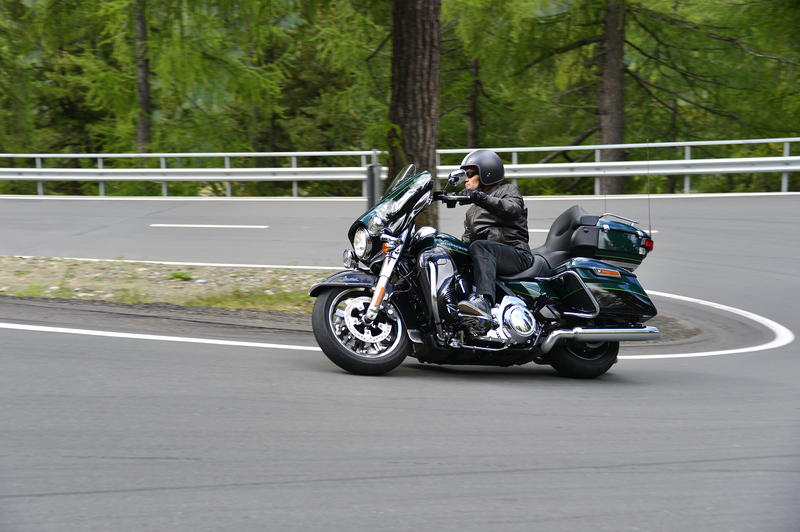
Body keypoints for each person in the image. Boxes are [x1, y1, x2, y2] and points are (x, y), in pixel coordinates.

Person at [457, 149, 533, 318]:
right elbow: (466, 243)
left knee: (480, 246)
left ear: (487, 172)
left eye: (470, 174)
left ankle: (484, 301)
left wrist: (480, 198)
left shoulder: (508, 190)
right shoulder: (470, 212)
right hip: (488, 255)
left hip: (517, 254)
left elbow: (512, 209)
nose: (466, 179)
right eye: (464, 175)